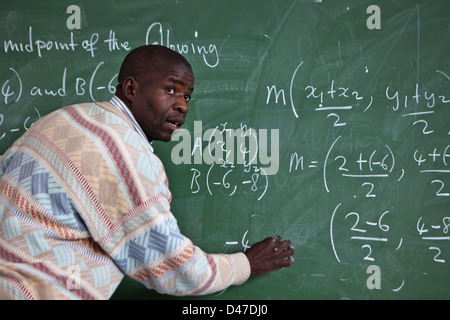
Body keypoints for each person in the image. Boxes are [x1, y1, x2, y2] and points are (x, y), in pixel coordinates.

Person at [0, 45, 294, 300]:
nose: (182, 105)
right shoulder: (125, 153)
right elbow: (173, 268)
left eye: (187, 97)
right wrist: (246, 264)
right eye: (170, 89)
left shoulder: (65, 118)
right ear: (131, 89)